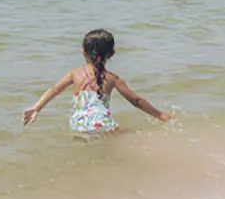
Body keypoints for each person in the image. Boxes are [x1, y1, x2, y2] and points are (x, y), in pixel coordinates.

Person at [22, 28, 172, 134]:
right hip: (102, 122)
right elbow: (136, 101)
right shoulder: (113, 78)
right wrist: (159, 115)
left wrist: (36, 108)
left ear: (83, 51)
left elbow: (54, 90)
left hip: (79, 124)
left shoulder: (74, 74)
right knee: (129, 134)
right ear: (112, 54)